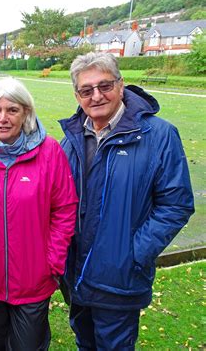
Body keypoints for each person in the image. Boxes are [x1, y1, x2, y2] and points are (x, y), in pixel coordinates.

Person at [59, 52, 195, 350]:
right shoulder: (69, 140)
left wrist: (133, 253)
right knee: (85, 343)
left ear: (121, 85)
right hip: (76, 277)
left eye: (104, 86)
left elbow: (176, 204)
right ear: (77, 95)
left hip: (119, 280)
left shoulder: (158, 135)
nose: (96, 96)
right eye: (86, 90)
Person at [0, 77, 78, 350]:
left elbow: (65, 208)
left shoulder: (50, 153)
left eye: (12, 110)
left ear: (26, 113)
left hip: (34, 282)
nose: (3, 118)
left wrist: (53, 260)